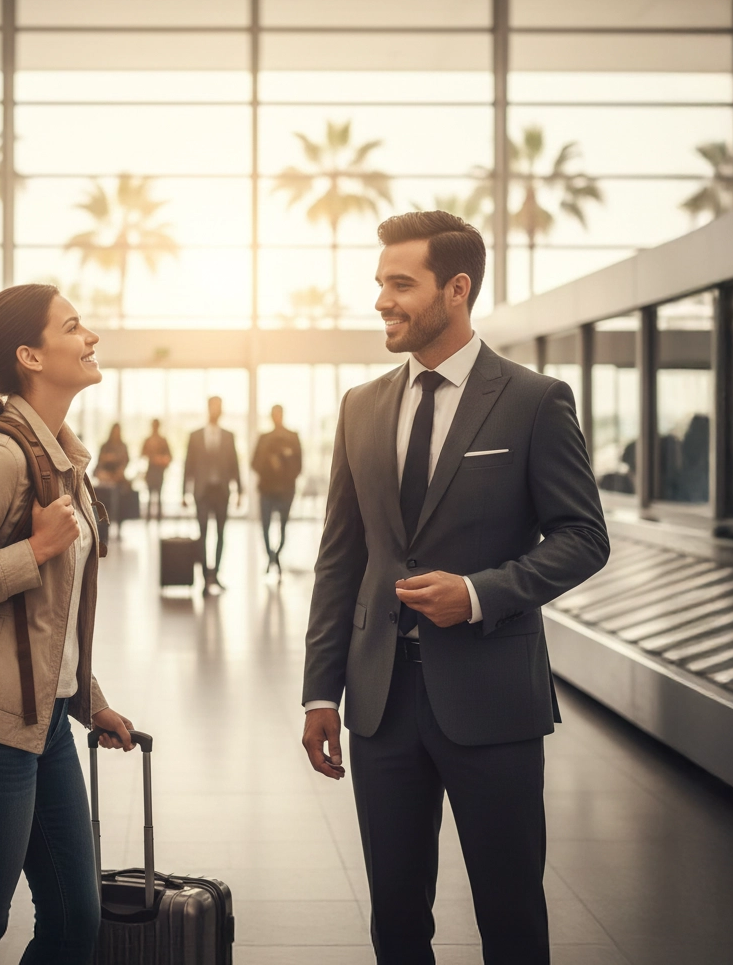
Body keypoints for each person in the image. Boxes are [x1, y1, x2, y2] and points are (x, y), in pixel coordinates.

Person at [300, 210, 609, 965]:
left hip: (492, 700)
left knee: (510, 914)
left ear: (457, 289)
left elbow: (584, 537)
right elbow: (342, 557)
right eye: (380, 283)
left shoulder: (535, 401)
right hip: (380, 706)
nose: (381, 300)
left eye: (400, 283)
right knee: (396, 919)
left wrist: (478, 593)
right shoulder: (361, 405)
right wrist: (319, 692)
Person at [0, 283, 137, 965]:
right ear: (30, 356)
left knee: (75, 920)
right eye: (75, 326)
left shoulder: (62, 459)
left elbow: (52, 618)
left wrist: (88, 700)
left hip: (44, 728)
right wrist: (32, 551)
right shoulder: (2, 456)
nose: (91, 336)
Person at [183, 396, 242, 594]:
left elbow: (235, 464)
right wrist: (184, 491)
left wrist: (240, 490)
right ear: (208, 409)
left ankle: (215, 574)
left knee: (221, 534)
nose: (216, 410)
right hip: (202, 491)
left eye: (219, 407)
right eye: (213, 407)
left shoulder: (229, 436)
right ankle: (204, 578)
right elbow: (188, 464)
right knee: (202, 534)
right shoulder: (195, 435)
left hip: (222, 491)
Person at [252, 404, 303, 575]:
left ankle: (275, 557)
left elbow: (298, 466)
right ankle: (271, 557)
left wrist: (284, 468)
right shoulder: (264, 438)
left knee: (283, 527)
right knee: (265, 526)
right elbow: (254, 463)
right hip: (267, 489)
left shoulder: (292, 437)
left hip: (286, 490)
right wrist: (270, 464)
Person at [140, 418, 172, 519]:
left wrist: (160, 459)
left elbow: (169, 456)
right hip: (151, 471)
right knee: (150, 496)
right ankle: (149, 517)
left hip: (159, 471)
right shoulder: (148, 440)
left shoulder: (163, 441)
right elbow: (142, 453)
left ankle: (158, 518)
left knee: (159, 495)